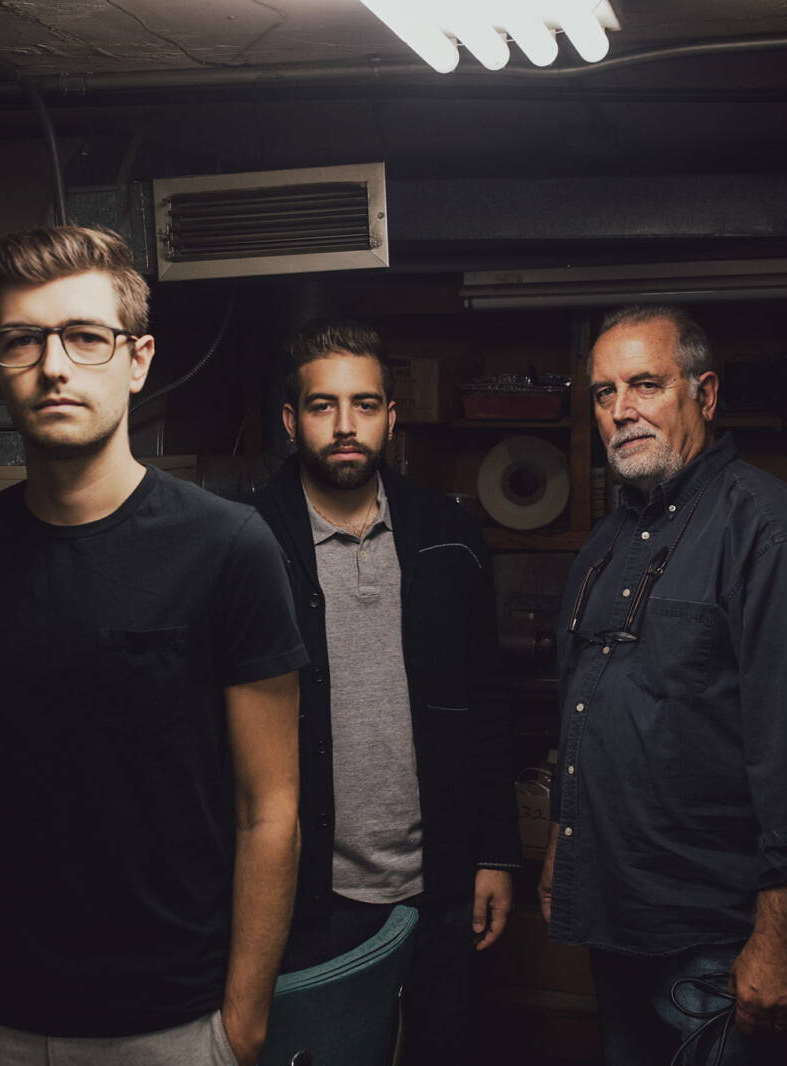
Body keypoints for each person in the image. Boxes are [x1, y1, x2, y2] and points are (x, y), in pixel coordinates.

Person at [0, 225, 306, 1066]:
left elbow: (269, 807)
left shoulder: (229, 549)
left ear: (137, 359)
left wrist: (241, 1026)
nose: (54, 366)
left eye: (85, 336)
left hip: (168, 1027)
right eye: (23, 340)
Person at [538, 305, 787, 1065]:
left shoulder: (773, 535)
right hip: (617, 922)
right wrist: (564, 843)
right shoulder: (607, 542)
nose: (622, 410)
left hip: (720, 942)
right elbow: (585, 706)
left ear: (706, 394)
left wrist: (780, 943)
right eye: (603, 393)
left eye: (646, 384)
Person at [250, 322, 521, 1064]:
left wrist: (497, 853)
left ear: (391, 418)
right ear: (291, 421)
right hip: (308, 891)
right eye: (322, 406)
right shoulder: (246, 540)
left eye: (364, 404)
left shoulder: (448, 533)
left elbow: (485, 702)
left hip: (439, 882)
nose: (345, 425)